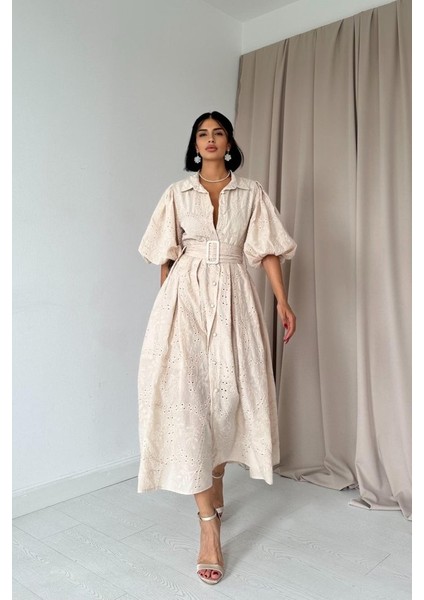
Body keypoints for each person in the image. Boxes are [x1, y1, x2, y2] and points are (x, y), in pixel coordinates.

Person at [137, 111, 297, 585]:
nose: (210, 140)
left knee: (227, 400)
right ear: (195, 144)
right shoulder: (176, 193)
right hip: (184, 298)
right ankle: (208, 525)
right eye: (202, 134)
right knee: (188, 403)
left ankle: (217, 474)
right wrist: (167, 309)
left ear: (229, 142)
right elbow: (166, 257)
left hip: (234, 295)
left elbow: (267, 250)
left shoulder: (251, 193)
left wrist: (282, 301)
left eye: (218, 133)